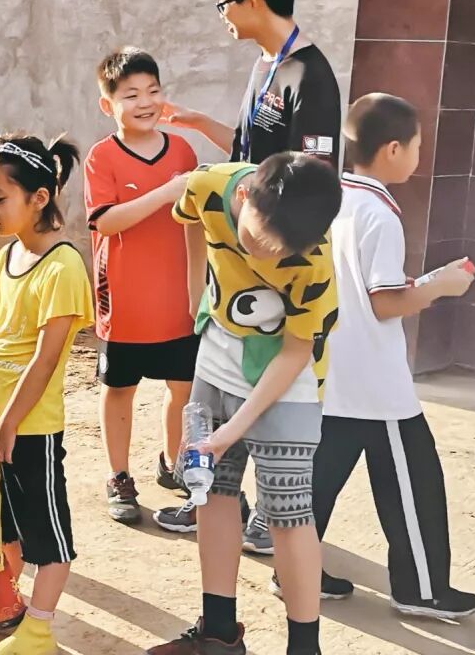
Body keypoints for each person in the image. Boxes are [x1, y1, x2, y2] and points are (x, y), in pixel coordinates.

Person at [155, 0, 342, 556]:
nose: (222, 17)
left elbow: (306, 189)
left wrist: (272, 258)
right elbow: (247, 155)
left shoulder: (308, 76)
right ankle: (216, 498)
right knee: (224, 383)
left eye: (224, 5)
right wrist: (194, 121)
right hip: (236, 263)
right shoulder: (265, 65)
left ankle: (271, 514)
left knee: (274, 379)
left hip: (274, 264)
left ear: (253, 0)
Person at [281, 93, 475, 619]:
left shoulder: (335, 199)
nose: (419, 155)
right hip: (374, 379)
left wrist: (426, 282)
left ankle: (293, 570)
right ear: (393, 149)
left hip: (331, 370)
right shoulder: (381, 215)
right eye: (416, 146)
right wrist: (443, 287)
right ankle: (421, 590)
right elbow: (386, 302)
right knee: (414, 482)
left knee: (320, 475)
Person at [146, 152, 342, 655]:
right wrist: (197, 297)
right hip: (217, 358)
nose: (266, 258)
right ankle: (219, 633)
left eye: (281, 252)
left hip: (287, 380)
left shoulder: (314, 258)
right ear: (242, 197)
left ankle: (305, 647)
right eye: (257, 241)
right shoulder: (209, 186)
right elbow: (189, 219)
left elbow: (297, 350)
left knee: (288, 512)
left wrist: (231, 431)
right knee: (212, 491)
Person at [0, 134, 93, 654]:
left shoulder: (64, 266)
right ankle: (3, 606)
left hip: (30, 427)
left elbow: (45, 358)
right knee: (3, 522)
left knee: (46, 533)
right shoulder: (9, 257)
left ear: (40, 198)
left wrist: (9, 421)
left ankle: (40, 630)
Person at [84, 48, 198, 525]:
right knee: (120, 389)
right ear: (108, 104)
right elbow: (107, 222)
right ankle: (119, 476)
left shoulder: (184, 151)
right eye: (131, 95)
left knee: (184, 389)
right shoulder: (101, 157)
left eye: (153, 91)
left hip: (179, 303)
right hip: (125, 304)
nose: (145, 102)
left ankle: (175, 466)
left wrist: (200, 292)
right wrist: (165, 193)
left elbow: (197, 225)